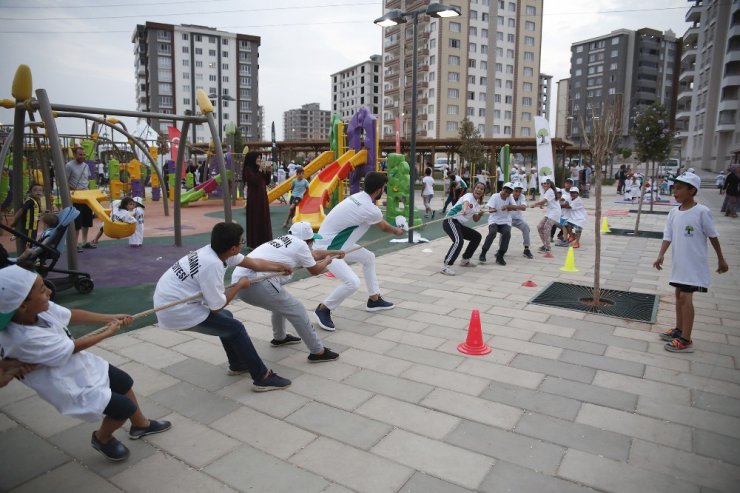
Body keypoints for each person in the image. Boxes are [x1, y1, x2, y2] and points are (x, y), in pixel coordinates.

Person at [0, 265, 172, 461]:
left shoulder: (38, 310)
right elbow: (72, 347)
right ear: (22, 305)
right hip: (67, 382)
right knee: (123, 408)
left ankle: (141, 425)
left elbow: (70, 315)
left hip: (79, 365)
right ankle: (103, 438)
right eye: (42, 290)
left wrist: (108, 318)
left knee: (123, 382)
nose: (48, 290)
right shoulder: (23, 338)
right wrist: (107, 332)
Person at [153, 222, 292, 391]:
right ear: (233, 248)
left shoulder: (215, 251)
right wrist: (239, 285)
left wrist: (279, 267)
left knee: (227, 318)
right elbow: (216, 306)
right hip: (176, 310)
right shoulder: (212, 264)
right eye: (242, 241)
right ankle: (262, 377)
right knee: (236, 328)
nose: (243, 243)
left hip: (171, 301)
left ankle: (237, 364)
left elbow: (254, 264)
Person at [234, 221, 342, 362]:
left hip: (240, 283)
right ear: (308, 239)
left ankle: (280, 337)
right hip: (257, 283)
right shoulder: (301, 244)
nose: (311, 242)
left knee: (279, 305)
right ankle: (318, 352)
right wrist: (328, 261)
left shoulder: (285, 240)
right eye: (312, 239)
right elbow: (315, 270)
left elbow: (314, 254)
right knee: (297, 310)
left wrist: (334, 252)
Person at [313, 172, 404, 331]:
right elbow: (383, 227)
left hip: (336, 244)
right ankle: (324, 308)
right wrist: (397, 230)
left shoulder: (357, 197)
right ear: (378, 190)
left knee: (368, 258)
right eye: (384, 188)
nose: (384, 190)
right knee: (352, 283)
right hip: (328, 249)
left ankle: (374, 299)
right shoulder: (370, 209)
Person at [653, 172, 729, 353]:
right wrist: (661, 254)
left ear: (692, 190)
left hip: (694, 265)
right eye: (674, 187)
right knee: (679, 296)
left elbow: (713, 236)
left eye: (679, 188)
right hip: (680, 263)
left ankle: (686, 340)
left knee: (686, 298)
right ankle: (679, 330)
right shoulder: (673, 213)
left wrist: (721, 258)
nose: (675, 191)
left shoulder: (702, 212)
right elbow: (668, 235)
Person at [441, 182, 485, 276]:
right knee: (458, 241)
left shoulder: (477, 204)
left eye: (481, 189)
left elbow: (475, 219)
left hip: (458, 224)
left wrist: (480, 214)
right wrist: (464, 209)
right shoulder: (468, 196)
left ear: (483, 192)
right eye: (477, 187)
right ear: (474, 188)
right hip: (450, 220)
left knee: (477, 237)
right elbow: (466, 203)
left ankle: (465, 260)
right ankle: (446, 266)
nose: (479, 190)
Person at [66, 147, 96, 252]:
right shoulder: (69, 166)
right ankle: (74, 244)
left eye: (83, 154)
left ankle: (84, 242)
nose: (82, 156)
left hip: (86, 195)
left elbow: (86, 180)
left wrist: (89, 191)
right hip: (76, 196)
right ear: (75, 155)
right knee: (77, 222)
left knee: (87, 220)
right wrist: (76, 189)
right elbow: (65, 181)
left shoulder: (86, 166)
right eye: (80, 155)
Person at [480, 182, 516, 266]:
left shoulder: (510, 197)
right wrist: (492, 209)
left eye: (509, 192)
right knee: (492, 233)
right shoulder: (495, 196)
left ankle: (500, 255)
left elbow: (514, 207)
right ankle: (483, 252)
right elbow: (490, 208)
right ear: (502, 189)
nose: (506, 194)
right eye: (505, 191)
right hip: (494, 220)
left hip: (505, 221)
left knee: (507, 233)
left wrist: (508, 207)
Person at [243, 151, 273, 249]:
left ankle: (265, 240)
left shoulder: (259, 169)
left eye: (260, 158)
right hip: (254, 198)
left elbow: (266, 182)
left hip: (263, 198)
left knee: (263, 217)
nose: (260, 160)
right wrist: (260, 169)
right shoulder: (248, 170)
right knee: (255, 218)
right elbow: (254, 181)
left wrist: (268, 171)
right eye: (258, 158)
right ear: (252, 159)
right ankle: (255, 242)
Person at [530, 178, 560, 254]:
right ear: (542, 184)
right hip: (550, 212)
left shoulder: (550, 191)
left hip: (555, 212)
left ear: (550, 184)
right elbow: (545, 201)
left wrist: (535, 204)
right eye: (544, 183)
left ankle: (547, 248)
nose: (546, 185)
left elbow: (543, 201)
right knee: (539, 226)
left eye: (547, 183)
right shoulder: (546, 191)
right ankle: (545, 245)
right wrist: (540, 205)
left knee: (546, 227)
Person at [510, 182, 534, 259]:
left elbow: (524, 208)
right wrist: (518, 207)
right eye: (516, 191)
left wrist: (512, 207)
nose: (518, 193)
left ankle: (526, 249)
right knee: (504, 231)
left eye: (519, 191)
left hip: (518, 219)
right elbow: (521, 207)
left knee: (526, 227)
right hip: (507, 219)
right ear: (512, 190)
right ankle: (500, 249)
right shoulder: (509, 196)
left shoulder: (522, 196)